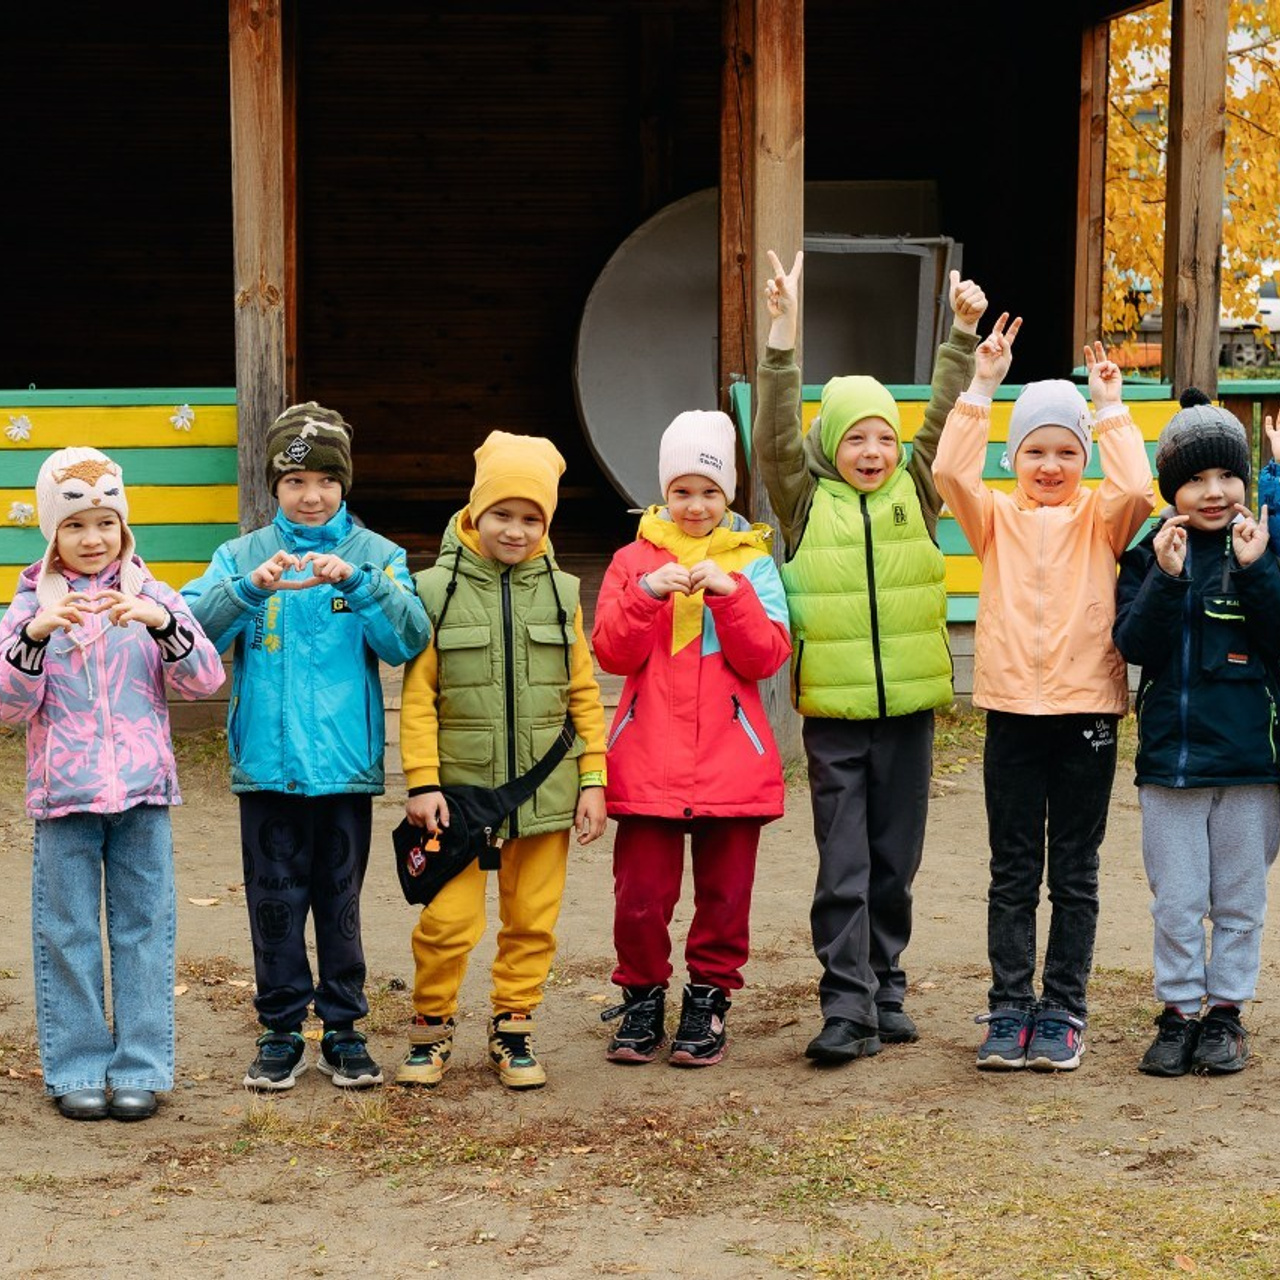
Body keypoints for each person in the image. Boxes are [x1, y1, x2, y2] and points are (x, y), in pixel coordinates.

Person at [752, 250, 986, 1065]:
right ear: (830, 445)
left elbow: (952, 415)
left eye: (886, 434)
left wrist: (960, 338)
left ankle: (886, 981)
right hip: (837, 719)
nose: (875, 449)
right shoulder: (803, 498)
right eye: (857, 437)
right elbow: (775, 435)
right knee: (844, 864)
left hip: (912, 714)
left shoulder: (916, 491)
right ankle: (845, 1005)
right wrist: (781, 340)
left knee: (896, 861)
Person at [182, 402, 430, 1091]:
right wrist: (245, 591)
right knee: (275, 904)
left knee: (340, 905)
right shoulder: (241, 554)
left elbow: (407, 639)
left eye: (325, 480)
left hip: (345, 769)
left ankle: (345, 1030)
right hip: (267, 767)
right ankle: (281, 1030)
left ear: (345, 483)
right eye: (295, 481)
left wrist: (360, 582)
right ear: (274, 486)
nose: (311, 495)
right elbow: (191, 630)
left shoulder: (378, 556)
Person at [933, 321, 1155, 1072]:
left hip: (1088, 713)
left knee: (1076, 872)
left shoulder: (1102, 518)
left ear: (1082, 460)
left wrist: (1110, 410)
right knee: (1013, 868)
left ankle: (1062, 1009)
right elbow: (950, 476)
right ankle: (1008, 1008)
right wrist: (983, 387)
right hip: (1011, 717)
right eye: (1036, 450)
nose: (1051, 465)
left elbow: (1134, 487)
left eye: (1066, 451)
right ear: (1013, 458)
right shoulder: (994, 519)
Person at [0, 447, 225, 1121]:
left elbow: (206, 682)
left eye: (104, 522)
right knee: (66, 932)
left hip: (143, 793)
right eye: (74, 526)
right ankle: (75, 1067)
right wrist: (33, 641)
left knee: (144, 929)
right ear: (52, 534)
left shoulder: (154, 596)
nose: (91, 538)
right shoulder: (25, 605)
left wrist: (166, 629)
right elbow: (7, 707)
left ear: (123, 527)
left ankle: (142, 1067)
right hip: (62, 797)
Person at [396, 430, 608, 1091]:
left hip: (544, 797)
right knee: (447, 923)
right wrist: (422, 781)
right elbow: (418, 697)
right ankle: (431, 1030)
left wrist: (594, 778)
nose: (515, 530)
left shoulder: (564, 592)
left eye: (531, 517)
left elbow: (584, 692)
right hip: (455, 797)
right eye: (502, 514)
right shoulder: (433, 591)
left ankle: (514, 1029)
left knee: (532, 921)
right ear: (474, 511)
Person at [592, 411, 791, 1067]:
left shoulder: (755, 564)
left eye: (709, 492)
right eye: (682, 491)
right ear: (662, 493)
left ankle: (708, 1001)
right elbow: (613, 653)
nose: (696, 505)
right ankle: (643, 997)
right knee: (641, 898)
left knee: (726, 898)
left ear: (728, 494)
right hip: (647, 759)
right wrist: (648, 594)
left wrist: (732, 596)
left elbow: (766, 658)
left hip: (731, 765)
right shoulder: (631, 561)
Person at [1114, 391, 1280, 1076]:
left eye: (1226, 476)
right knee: (1177, 900)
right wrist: (1167, 577)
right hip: (1172, 764)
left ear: (1243, 478)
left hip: (1250, 764)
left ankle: (1226, 1015)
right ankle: (1179, 1011)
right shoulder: (1151, 552)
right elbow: (1132, 643)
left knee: (1239, 901)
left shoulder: (1263, 545)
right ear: (1171, 487)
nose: (1213, 493)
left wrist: (1258, 569)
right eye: (1195, 479)